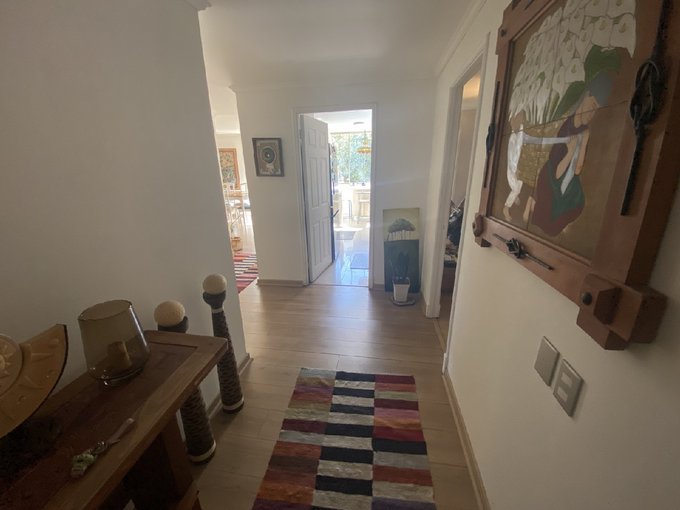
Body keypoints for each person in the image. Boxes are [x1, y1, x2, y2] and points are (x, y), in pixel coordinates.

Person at [503, 111, 570, 222]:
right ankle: (506, 207)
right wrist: (516, 170)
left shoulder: (522, 133)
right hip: (515, 168)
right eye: (515, 120)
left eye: (520, 119)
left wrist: (562, 140)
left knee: (518, 187)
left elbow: (540, 140)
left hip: (520, 166)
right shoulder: (513, 137)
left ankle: (515, 199)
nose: (517, 122)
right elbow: (511, 158)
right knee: (516, 188)